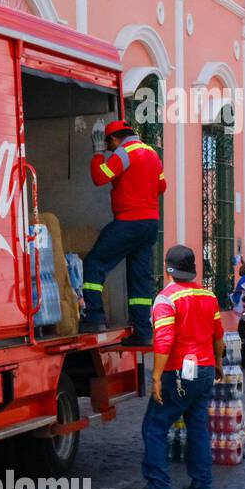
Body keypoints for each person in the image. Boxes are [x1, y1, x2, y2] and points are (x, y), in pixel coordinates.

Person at [130, 245, 225, 489]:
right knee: (198, 430)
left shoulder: (166, 299)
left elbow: (164, 341)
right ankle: (202, 488)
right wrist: (217, 363)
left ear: (167, 269)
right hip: (204, 370)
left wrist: (157, 377)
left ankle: (158, 488)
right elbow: (218, 336)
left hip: (178, 372)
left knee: (155, 425)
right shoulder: (209, 296)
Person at [81, 120, 167, 346]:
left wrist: (98, 154)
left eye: (108, 143)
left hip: (129, 222)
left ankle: (95, 318)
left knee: (94, 264)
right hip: (150, 225)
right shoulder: (152, 153)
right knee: (140, 280)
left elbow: (100, 177)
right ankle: (143, 332)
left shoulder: (124, 153)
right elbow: (161, 187)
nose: (109, 148)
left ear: (114, 138)